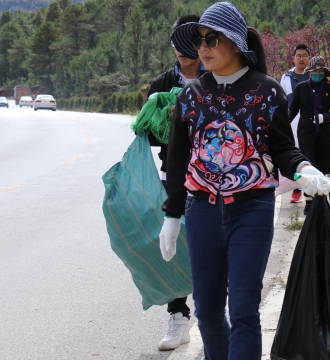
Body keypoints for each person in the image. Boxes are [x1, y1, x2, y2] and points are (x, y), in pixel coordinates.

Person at [160, 2, 330, 359]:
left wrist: (304, 170)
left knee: (242, 310)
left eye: (212, 39)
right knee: (208, 313)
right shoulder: (190, 95)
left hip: (252, 210)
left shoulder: (268, 91)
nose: (203, 48)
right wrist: (172, 215)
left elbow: (283, 147)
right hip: (202, 212)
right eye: (199, 41)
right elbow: (178, 160)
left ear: (236, 43)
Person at [146, 14, 206, 351]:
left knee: (211, 246)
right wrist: (162, 118)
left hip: (215, 178)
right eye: (176, 42)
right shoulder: (161, 83)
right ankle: (178, 317)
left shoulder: (219, 79)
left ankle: (213, 314)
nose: (182, 51)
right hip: (174, 178)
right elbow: (150, 135)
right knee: (173, 247)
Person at [289, 55, 330, 215]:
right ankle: (308, 200)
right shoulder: (301, 88)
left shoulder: (329, 89)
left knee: (322, 164)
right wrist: (283, 125)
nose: (317, 74)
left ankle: (320, 198)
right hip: (306, 132)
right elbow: (294, 109)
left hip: (324, 132)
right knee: (308, 164)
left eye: (320, 71)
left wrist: (325, 117)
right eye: (315, 71)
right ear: (309, 72)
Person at [280, 44, 311, 204]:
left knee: (310, 155)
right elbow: (282, 100)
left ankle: (309, 192)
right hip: (292, 122)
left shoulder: (313, 76)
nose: (301, 59)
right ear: (293, 58)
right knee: (296, 155)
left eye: (304, 56)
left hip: (310, 122)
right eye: (298, 56)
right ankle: (297, 187)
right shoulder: (286, 78)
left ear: (309, 58)